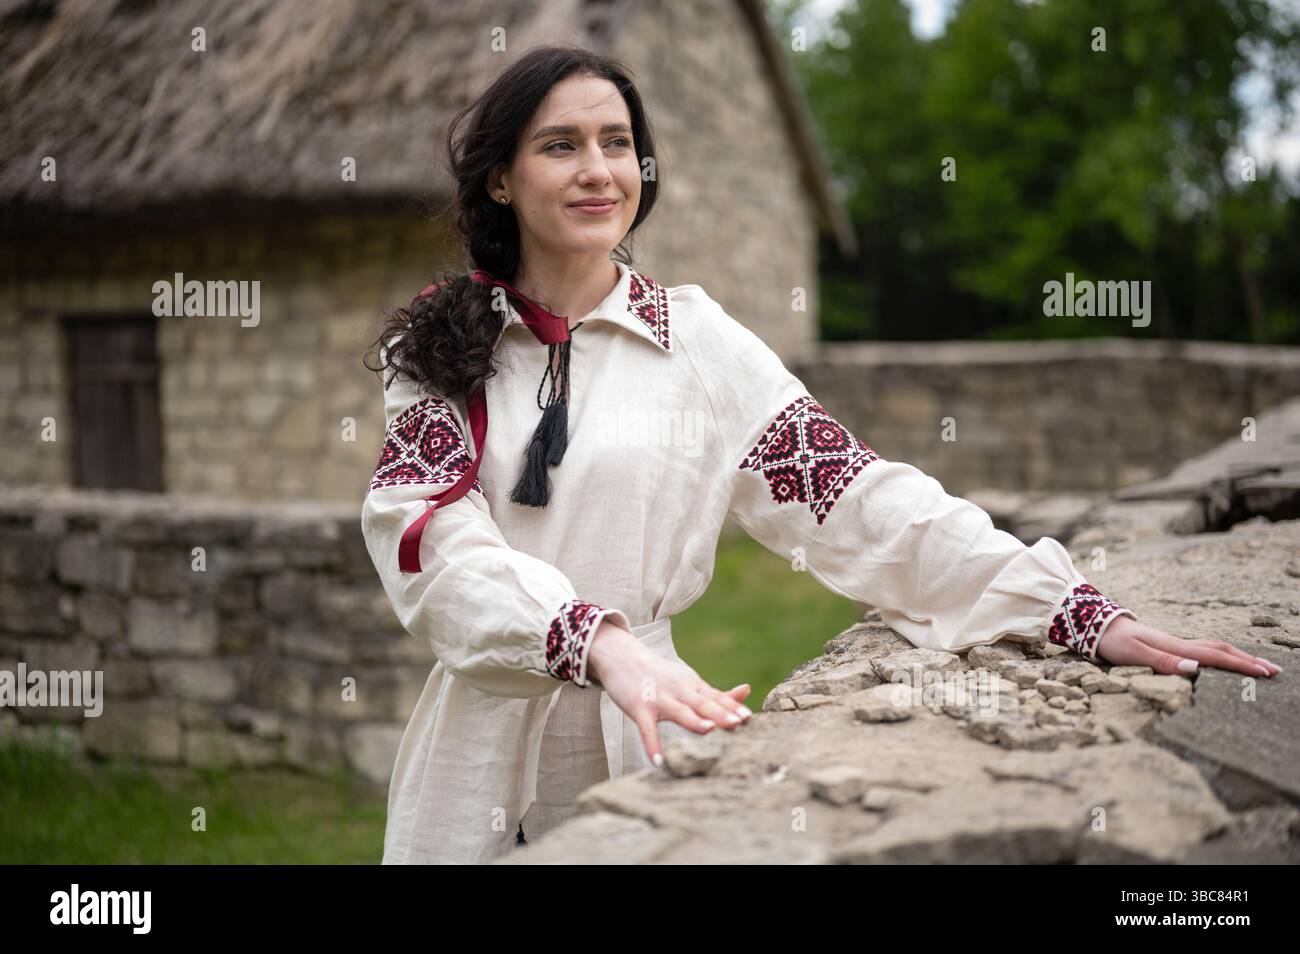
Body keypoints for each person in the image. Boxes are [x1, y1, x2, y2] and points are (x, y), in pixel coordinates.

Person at [360, 46, 1281, 865]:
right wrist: (591, 639)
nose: (598, 170)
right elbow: (431, 541)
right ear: (502, 179)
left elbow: (854, 499)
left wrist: (1066, 608)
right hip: (477, 754)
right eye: (561, 145)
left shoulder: (698, 343)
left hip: (651, 733)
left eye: (617, 143)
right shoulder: (442, 344)